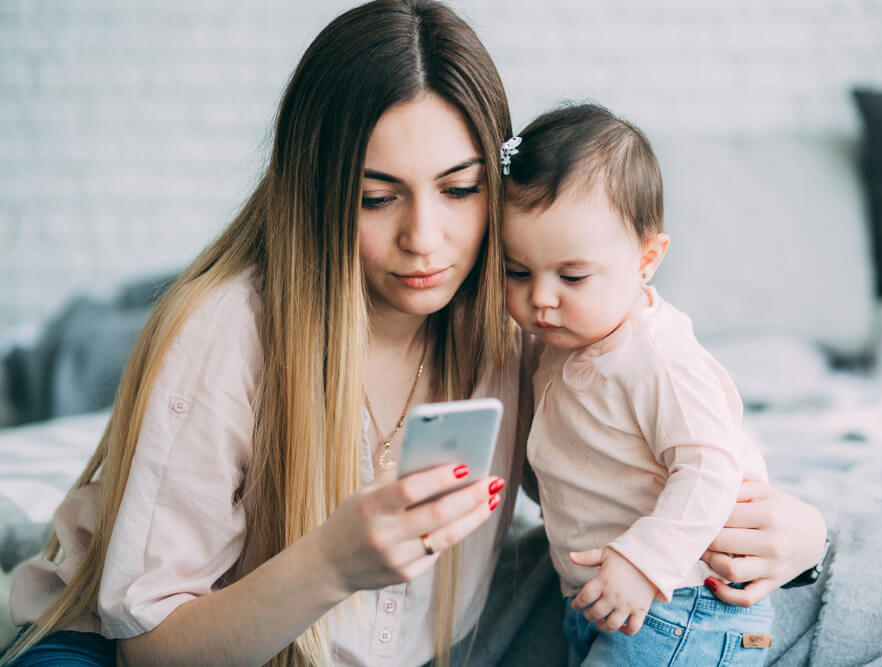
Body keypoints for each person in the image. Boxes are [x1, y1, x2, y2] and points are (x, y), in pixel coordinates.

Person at [1, 2, 828, 666]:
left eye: (460, 190)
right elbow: (149, 646)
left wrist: (802, 533)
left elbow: (624, 467)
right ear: (319, 191)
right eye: (376, 197)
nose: (425, 239)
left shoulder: (521, 320)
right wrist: (330, 563)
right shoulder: (225, 335)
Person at [501, 103, 778, 665]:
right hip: (605, 598)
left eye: (572, 276)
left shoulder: (658, 360)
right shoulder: (562, 341)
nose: (541, 298)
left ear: (647, 259)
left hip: (681, 603)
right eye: (517, 271)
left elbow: (711, 468)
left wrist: (643, 561)